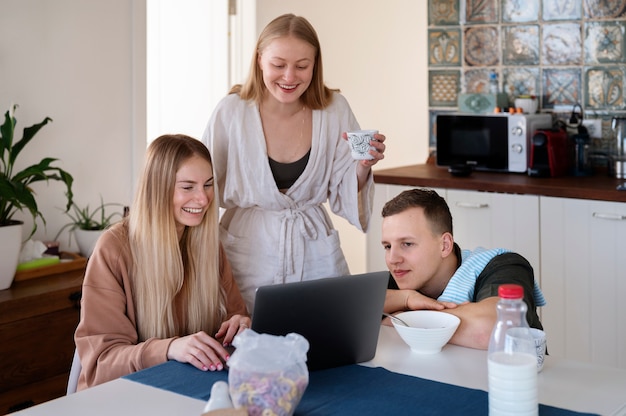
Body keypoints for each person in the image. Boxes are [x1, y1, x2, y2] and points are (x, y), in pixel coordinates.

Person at [202, 13, 387, 312]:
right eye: (278, 65)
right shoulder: (231, 112)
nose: (289, 77)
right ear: (260, 59)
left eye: (302, 66)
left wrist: (364, 165)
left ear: (315, 65)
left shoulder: (333, 110)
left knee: (331, 326)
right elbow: (203, 182)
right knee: (245, 333)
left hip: (314, 248)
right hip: (247, 247)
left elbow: (343, 183)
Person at [74, 134, 250, 390]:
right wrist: (169, 348)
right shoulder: (113, 249)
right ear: (158, 189)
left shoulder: (210, 246)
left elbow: (237, 314)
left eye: (208, 185)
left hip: (191, 389)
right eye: (188, 187)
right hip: (128, 398)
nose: (203, 199)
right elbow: (101, 363)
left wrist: (241, 325)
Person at [381, 188, 545, 350]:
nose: (393, 259)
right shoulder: (401, 276)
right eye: (388, 246)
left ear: (444, 245)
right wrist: (406, 298)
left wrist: (401, 320)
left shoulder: (504, 266)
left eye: (407, 244)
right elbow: (356, 307)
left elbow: (490, 330)